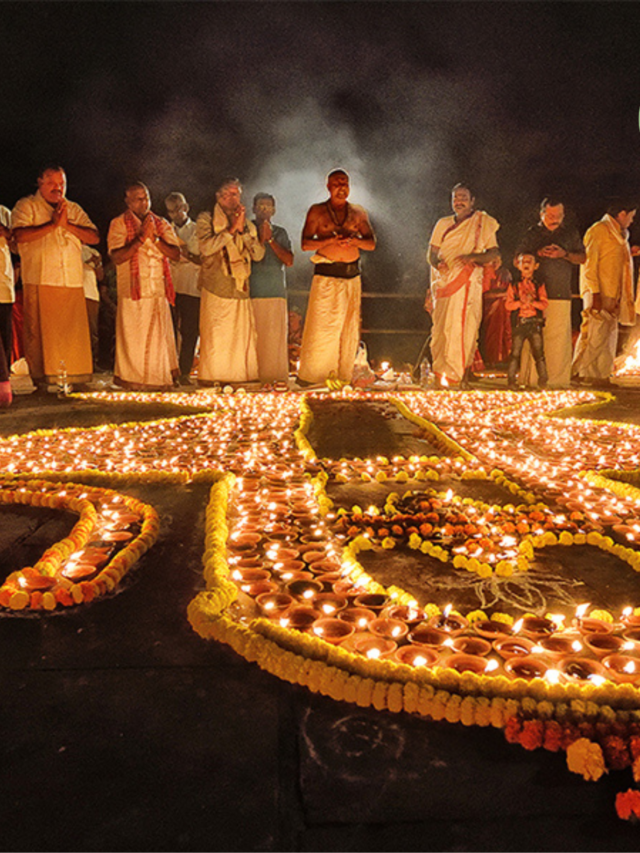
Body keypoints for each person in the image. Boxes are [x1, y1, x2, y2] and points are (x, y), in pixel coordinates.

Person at [11, 165, 98, 390]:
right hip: (40, 278)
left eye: (62, 184)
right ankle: (42, 381)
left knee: (71, 334)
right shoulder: (26, 205)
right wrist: (52, 225)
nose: (58, 188)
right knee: (39, 335)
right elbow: (19, 235)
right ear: (39, 183)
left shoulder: (73, 208)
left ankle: (74, 378)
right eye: (52, 183)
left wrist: (66, 224)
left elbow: (94, 236)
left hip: (70, 279)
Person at [296, 169, 376, 386]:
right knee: (323, 327)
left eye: (345, 183)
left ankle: (343, 374)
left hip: (351, 276)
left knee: (347, 328)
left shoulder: (358, 213)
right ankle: (314, 376)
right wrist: (331, 241)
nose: (342, 187)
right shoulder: (317, 211)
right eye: (337, 183)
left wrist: (352, 240)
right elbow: (305, 244)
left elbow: (371, 243)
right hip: (326, 277)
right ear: (328, 187)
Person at [108, 181, 180, 391]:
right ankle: (134, 380)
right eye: (138, 198)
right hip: (133, 292)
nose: (144, 202)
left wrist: (155, 239)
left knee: (158, 339)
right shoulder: (119, 224)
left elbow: (176, 254)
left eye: (146, 197)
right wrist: (140, 239)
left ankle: (159, 379)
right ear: (127, 201)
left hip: (157, 291)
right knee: (134, 338)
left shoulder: (161, 223)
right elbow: (117, 257)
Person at [427, 183, 500, 387]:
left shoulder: (482, 224)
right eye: (456, 198)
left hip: (468, 282)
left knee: (466, 326)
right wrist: (437, 263)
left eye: (464, 197)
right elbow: (431, 253)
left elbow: (494, 253)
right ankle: (442, 373)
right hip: (444, 282)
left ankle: (460, 376)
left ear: (472, 201)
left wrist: (471, 257)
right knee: (441, 329)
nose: (459, 201)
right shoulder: (442, 223)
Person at [196, 177, 264, 386]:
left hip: (240, 286)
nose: (233, 199)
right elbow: (206, 248)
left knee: (239, 336)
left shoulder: (248, 224)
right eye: (229, 194)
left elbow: (259, 255)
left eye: (237, 194)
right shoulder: (205, 219)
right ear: (219, 196)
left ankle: (239, 378)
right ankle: (214, 378)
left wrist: (243, 231)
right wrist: (231, 230)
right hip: (216, 285)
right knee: (217, 334)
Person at [514, 197, 586, 387]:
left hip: (560, 292)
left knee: (559, 338)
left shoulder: (569, 233)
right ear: (541, 214)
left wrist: (564, 255)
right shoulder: (533, 233)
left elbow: (583, 257)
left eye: (559, 215)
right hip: (534, 294)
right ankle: (531, 380)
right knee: (533, 338)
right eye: (551, 215)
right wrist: (535, 255)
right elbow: (517, 259)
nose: (555, 219)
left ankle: (557, 380)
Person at [571, 201, 637, 388]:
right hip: (598, 292)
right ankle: (579, 372)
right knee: (593, 334)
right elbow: (589, 265)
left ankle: (601, 375)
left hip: (615, 293)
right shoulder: (598, 231)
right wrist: (595, 294)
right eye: (631, 216)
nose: (632, 221)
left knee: (608, 336)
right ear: (621, 213)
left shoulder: (621, 235)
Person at [250, 192, 293, 386]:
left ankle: (274, 378)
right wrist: (258, 238)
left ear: (274, 210)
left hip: (275, 291)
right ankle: (252, 377)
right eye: (260, 206)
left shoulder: (280, 232)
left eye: (268, 207)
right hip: (251, 291)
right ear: (253, 209)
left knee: (274, 338)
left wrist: (270, 240)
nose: (264, 210)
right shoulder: (246, 229)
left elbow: (289, 260)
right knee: (253, 338)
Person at [164, 192, 201, 386]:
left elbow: (202, 259)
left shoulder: (197, 230)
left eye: (178, 208)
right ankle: (169, 370)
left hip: (191, 286)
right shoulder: (164, 229)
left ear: (186, 207)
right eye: (171, 211)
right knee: (168, 330)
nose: (175, 214)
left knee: (189, 331)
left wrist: (183, 255)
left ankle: (185, 371)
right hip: (169, 286)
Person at [505, 252, 549, 388]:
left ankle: (543, 381)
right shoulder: (514, 285)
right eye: (523, 261)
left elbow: (544, 303)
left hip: (534, 323)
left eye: (530, 261)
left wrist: (533, 303)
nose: (526, 263)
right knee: (515, 354)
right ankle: (511, 380)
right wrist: (520, 303)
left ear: (536, 266)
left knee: (539, 354)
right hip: (520, 323)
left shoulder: (539, 284)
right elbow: (508, 305)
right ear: (518, 265)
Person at [82, 245, 104, 370]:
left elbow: (100, 276)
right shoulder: (71, 246)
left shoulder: (93, 251)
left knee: (92, 330)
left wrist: (97, 263)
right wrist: (89, 262)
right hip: (77, 292)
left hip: (91, 294)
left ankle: (93, 363)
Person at [0, 204, 15, 372]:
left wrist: (7, 234)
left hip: (2, 285)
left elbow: (18, 245)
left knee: (4, 336)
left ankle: (4, 380)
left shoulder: (4, 213)